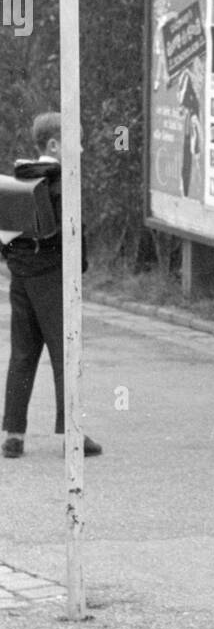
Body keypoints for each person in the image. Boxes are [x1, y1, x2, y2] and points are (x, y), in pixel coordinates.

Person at [0, 113, 101, 458]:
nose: (83, 149)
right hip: (54, 277)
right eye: (78, 141)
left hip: (21, 277)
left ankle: (13, 433)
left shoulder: (18, 178)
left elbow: (6, 236)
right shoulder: (63, 181)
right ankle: (71, 432)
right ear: (55, 144)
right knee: (65, 354)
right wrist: (79, 269)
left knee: (23, 354)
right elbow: (74, 233)